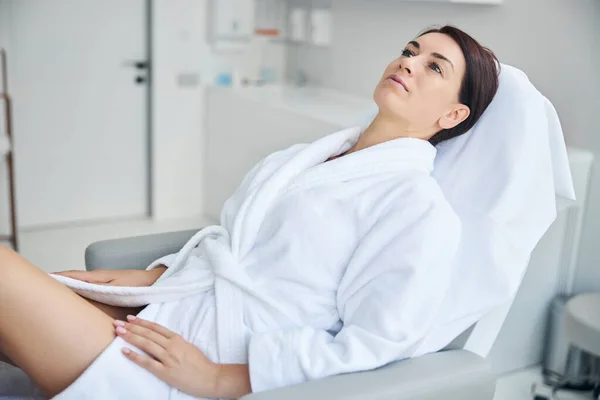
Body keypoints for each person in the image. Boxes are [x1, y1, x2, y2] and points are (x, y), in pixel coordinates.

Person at [0, 25, 499, 399]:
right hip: (170, 310)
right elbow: (234, 246)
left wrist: (218, 379)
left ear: (453, 116)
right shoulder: (307, 158)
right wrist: (144, 278)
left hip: (202, 357)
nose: (410, 62)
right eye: (411, 49)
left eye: (436, 66)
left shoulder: (418, 210)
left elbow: (374, 344)